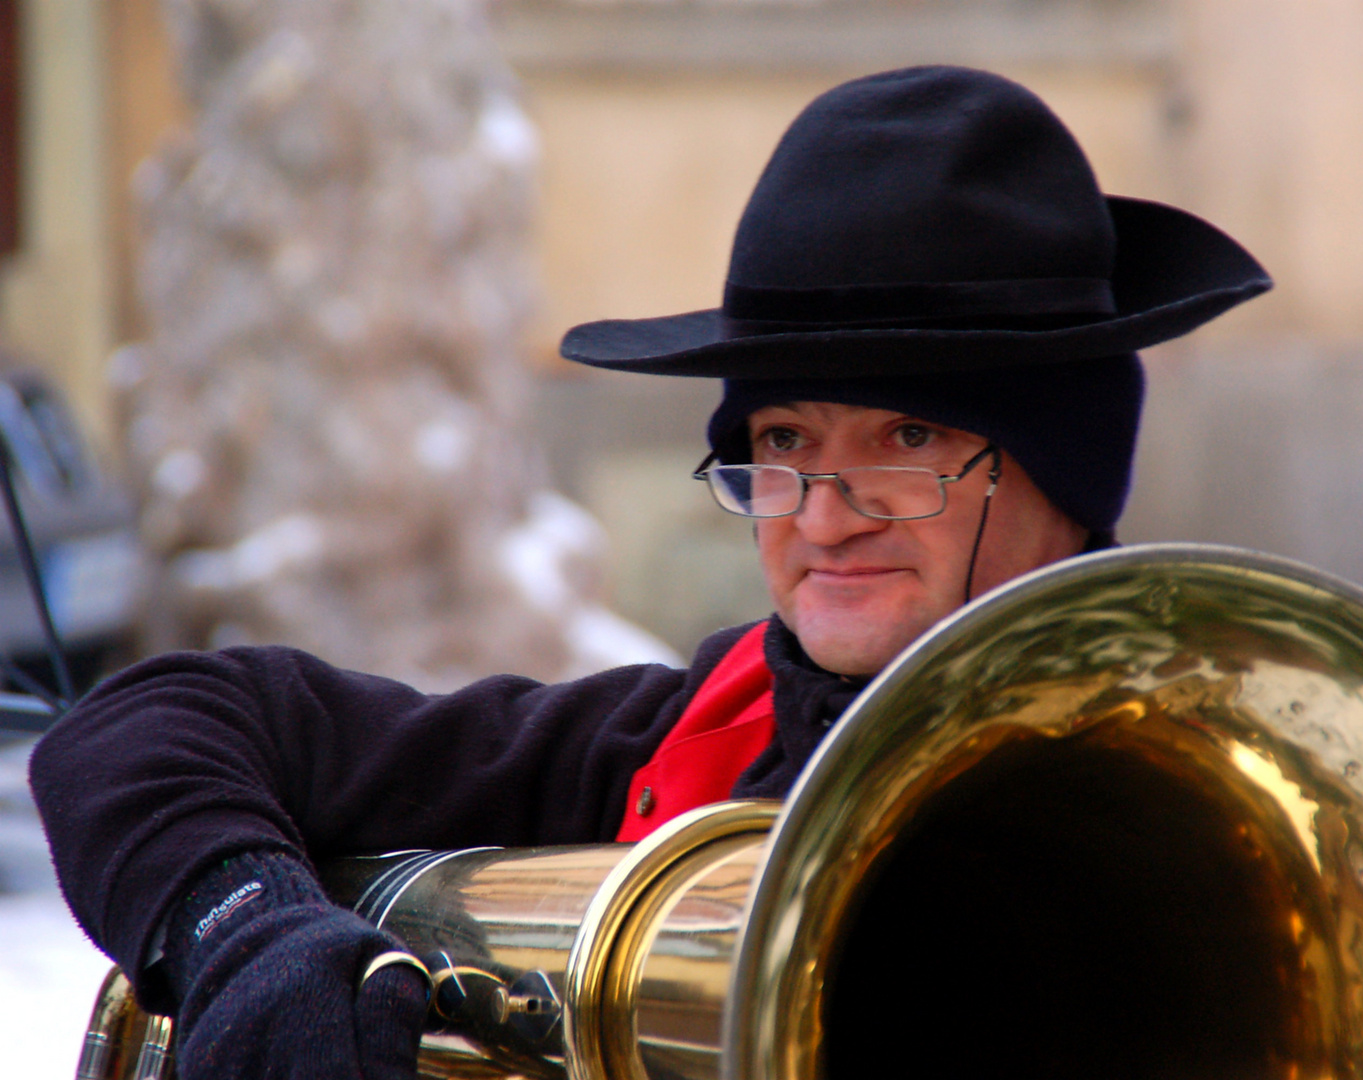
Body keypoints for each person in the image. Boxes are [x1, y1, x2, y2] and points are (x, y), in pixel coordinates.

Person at [30, 66, 1269, 1079]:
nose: (822, 516)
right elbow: (145, 725)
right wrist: (247, 934)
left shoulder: (1239, 807)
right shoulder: (679, 732)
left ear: (1067, 468)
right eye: (780, 443)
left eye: (909, 438)